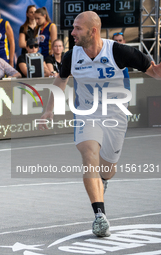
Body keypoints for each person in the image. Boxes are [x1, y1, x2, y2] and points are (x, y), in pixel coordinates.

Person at [39, 11, 161, 238]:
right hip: (86, 113)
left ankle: (103, 181)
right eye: (72, 28)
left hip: (115, 115)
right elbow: (61, 79)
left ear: (93, 30)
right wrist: (49, 109)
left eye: (77, 28)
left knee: (107, 168)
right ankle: (100, 216)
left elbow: (155, 72)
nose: (72, 32)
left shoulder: (119, 51)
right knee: (89, 154)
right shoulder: (71, 56)